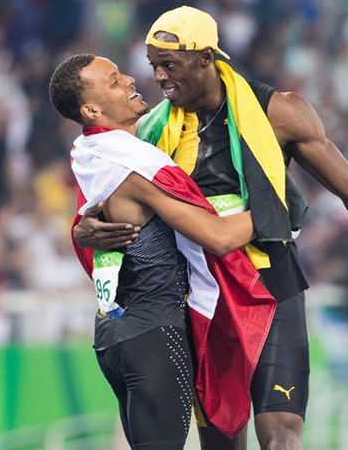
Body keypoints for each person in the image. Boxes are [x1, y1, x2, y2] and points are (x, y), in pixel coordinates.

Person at [73, 6, 348, 449]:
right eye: (154, 66)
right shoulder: (149, 130)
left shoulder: (280, 113)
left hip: (273, 285)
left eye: (170, 65)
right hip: (204, 296)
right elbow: (106, 205)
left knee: (281, 436)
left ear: (206, 57)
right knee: (223, 444)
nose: (160, 78)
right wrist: (82, 232)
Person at [49, 53, 277, 449]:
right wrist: (277, 208)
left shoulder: (93, 155)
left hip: (116, 334)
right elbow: (219, 237)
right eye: (114, 80)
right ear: (91, 108)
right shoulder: (133, 167)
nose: (129, 80)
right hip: (154, 331)